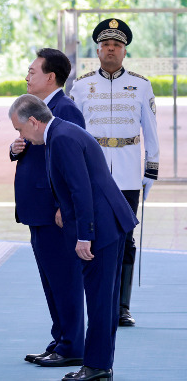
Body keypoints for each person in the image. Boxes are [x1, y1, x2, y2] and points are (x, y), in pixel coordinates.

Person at [9, 94, 138, 381]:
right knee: (102, 299)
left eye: (20, 130)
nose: (22, 137)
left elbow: (81, 190)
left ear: (33, 121)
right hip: (108, 222)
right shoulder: (61, 132)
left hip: (101, 227)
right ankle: (98, 365)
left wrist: (84, 236)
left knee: (100, 300)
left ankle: (97, 367)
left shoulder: (62, 138)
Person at [69, 18, 159, 327]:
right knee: (88, 234)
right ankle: (94, 299)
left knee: (125, 237)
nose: (111, 49)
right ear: (97, 50)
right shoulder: (80, 86)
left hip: (127, 172)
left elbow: (151, 131)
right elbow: (71, 131)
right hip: (90, 172)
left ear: (124, 52)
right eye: (106, 44)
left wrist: (151, 171)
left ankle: (122, 306)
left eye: (117, 45)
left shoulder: (140, 85)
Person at [11, 49, 86, 367]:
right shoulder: (40, 108)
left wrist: (62, 205)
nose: (27, 76)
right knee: (51, 279)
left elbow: (73, 162)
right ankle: (61, 339)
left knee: (65, 279)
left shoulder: (65, 109)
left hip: (54, 211)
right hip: (37, 208)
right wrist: (15, 149)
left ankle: (72, 346)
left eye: (32, 71)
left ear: (50, 76)